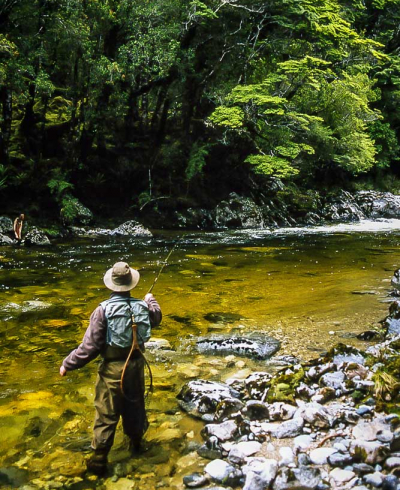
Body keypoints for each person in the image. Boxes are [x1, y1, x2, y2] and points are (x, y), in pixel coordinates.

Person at [59, 261, 162, 475]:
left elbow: (90, 348)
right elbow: (156, 319)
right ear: (131, 284)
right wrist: (151, 301)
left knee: (106, 413)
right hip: (136, 365)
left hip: (113, 369)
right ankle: (136, 446)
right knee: (135, 406)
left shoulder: (102, 310)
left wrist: (67, 363)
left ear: (111, 285)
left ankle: (99, 461)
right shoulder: (142, 306)